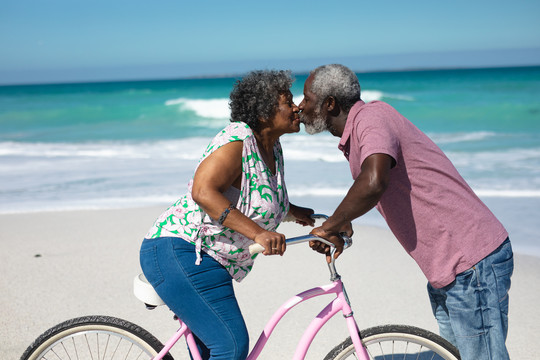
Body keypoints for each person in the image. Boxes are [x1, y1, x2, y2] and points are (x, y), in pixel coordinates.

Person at [298, 64, 513, 360]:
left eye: (307, 98)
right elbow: (378, 189)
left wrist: (330, 225)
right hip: (452, 265)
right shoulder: (363, 128)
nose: (301, 105)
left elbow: (374, 182)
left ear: (330, 104)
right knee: (455, 356)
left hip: (470, 260)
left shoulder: (371, 118)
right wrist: (342, 224)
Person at [140, 70, 314, 360]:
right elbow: (203, 192)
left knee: (216, 350)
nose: (297, 107)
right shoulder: (237, 140)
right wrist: (259, 234)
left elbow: (253, 197)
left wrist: (295, 213)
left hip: (212, 260)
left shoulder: (272, 147)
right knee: (230, 346)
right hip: (181, 250)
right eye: (288, 101)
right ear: (263, 112)